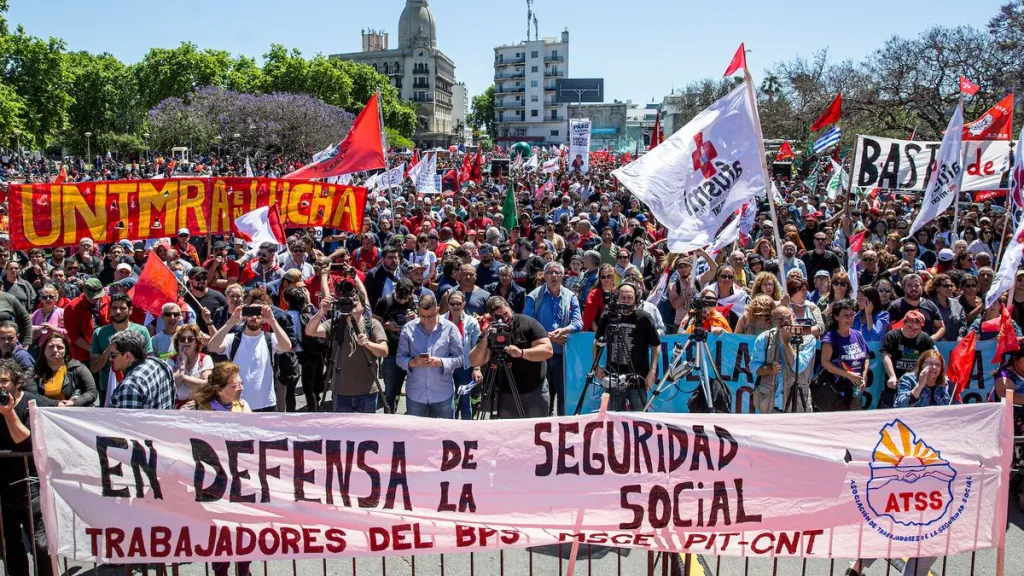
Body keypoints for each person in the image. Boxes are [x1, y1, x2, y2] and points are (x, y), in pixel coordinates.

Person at [179, 361, 253, 576]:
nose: (240, 388)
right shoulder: (198, 410)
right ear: (220, 389)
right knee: (220, 534)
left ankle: (244, 571)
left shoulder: (244, 408)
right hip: (213, 484)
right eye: (234, 385)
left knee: (242, 533)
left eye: (240, 383)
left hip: (240, 482)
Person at [0, 358, 56, 576]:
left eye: (4, 381)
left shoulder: (34, 404)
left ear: (16, 381)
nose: (0, 386)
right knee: (9, 548)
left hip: (32, 487)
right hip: (4, 490)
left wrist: (9, 413)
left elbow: (26, 442)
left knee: (42, 546)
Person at [469, 296, 553, 418]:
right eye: (499, 317)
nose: (505, 318)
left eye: (505, 313)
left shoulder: (527, 323)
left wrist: (522, 353)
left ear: (509, 307)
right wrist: (487, 338)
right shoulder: (491, 332)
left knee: (535, 431)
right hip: (506, 394)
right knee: (511, 434)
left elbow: (548, 350)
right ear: (492, 317)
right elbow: (474, 361)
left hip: (535, 390)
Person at [306, 289, 388, 413]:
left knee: (366, 432)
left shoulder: (372, 324)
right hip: (341, 392)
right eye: (348, 301)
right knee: (342, 431)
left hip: (367, 392)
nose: (352, 304)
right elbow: (310, 331)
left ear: (363, 305)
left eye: (355, 301)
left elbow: (384, 351)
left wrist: (368, 344)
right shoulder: (335, 324)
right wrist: (322, 311)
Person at [206, 303, 293, 412]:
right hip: (238, 405)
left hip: (266, 404)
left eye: (258, 314)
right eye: (250, 313)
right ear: (245, 316)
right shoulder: (233, 339)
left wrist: (272, 321)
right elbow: (212, 346)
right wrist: (230, 322)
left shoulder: (270, 338)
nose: (254, 317)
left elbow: (287, 346)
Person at [525, 261, 583, 416]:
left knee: (563, 395)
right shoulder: (533, 296)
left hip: (562, 355)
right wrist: (550, 338)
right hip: (541, 355)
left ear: (563, 276)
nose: (554, 275)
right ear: (544, 276)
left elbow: (578, 323)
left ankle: (562, 430)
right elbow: (526, 324)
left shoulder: (571, 297)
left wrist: (564, 330)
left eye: (557, 272)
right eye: (550, 272)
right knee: (542, 396)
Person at [592, 282, 661, 412]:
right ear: (617, 298)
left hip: (638, 378)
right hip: (613, 377)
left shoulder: (644, 318)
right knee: (616, 418)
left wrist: (652, 372)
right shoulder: (608, 316)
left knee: (640, 420)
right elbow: (597, 342)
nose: (626, 301)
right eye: (623, 297)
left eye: (629, 297)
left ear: (636, 298)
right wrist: (595, 366)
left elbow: (656, 346)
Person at [396, 294, 464, 418]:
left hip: (442, 393)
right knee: (416, 435)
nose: (426, 320)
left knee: (446, 433)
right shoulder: (408, 329)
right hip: (416, 394)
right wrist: (413, 362)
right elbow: (399, 359)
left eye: (430, 316)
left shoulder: (450, 329)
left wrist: (440, 362)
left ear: (437, 310)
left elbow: (460, 359)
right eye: (422, 316)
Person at [751, 305, 816, 413]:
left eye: (786, 317)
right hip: (770, 404)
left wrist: (786, 342)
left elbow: (798, 367)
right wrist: (770, 369)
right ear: (773, 321)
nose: (784, 322)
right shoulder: (764, 338)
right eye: (779, 320)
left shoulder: (808, 339)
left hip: (797, 404)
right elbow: (754, 367)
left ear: (793, 316)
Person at [91, 293, 153, 406]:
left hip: (136, 388)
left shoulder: (142, 331)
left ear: (130, 310)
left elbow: (148, 362)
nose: (118, 312)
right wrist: (109, 351)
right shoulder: (99, 333)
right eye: (114, 308)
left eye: (122, 308)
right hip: (107, 389)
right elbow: (94, 368)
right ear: (110, 310)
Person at [373, 278, 418, 410]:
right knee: (391, 390)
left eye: (406, 298)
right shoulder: (384, 301)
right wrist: (386, 326)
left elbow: (427, 324)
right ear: (395, 290)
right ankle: (390, 414)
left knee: (413, 391)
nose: (403, 300)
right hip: (391, 353)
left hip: (411, 353)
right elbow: (373, 325)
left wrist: (417, 318)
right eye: (400, 297)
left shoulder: (415, 301)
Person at [819, 299, 871, 411]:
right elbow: (825, 363)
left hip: (856, 388)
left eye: (852, 314)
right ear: (836, 317)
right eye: (845, 315)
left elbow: (866, 357)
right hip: (837, 391)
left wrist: (864, 376)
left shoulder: (858, 335)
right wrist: (848, 375)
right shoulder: (830, 338)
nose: (849, 318)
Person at [880, 310, 936, 409]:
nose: (912, 332)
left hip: (917, 386)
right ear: (904, 322)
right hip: (895, 385)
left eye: (916, 329)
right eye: (909, 327)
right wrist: (892, 376)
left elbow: (934, 357)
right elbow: (886, 356)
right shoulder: (892, 335)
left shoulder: (925, 338)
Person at [107, 329, 176, 409]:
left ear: (127, 356)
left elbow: (128, 420)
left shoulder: (130, 386)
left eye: (113, 355)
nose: (110, 359)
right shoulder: (161, 364)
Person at [443, 290, 482, 419]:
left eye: (458, 303)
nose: (455, 306)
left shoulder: (471, 322)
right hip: (445, 367)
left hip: (465, 368)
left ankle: (467, 430)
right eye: (452, 303)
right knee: (446, 402)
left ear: (464, 304)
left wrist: (476, 368)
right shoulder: (440, 320)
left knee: (465, 401)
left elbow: (477, 347)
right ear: (448, 304)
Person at [29, 331, 97, 406]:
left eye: (60, 347)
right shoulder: (33, 372)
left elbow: (92, 392)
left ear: (66, 351)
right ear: (43, 350)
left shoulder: (78, 368)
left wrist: (74, 403)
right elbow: (30, 395)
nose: (55, 350)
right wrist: (56, 404)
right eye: (51, 346)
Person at [166, 324, 213, 408]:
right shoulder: (171, 361)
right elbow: (171, 385)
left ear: (196, 343)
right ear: (178, 342)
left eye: (190, 339)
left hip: (198, 406)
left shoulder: (205, 359)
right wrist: (182, 365)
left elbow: (205, 386)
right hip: (176, 408)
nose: (186, 341)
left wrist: (181, 376)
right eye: (182, 339)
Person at [887, 273, 945, 341]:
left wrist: (930, 340)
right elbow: (888, 328)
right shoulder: (895, 306)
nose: (913, 288)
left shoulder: (930, 305)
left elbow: (941, 327)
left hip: (925, 349)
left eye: (917, 285)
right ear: (903, 287)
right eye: (909, 285)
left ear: (922, 286)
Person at [64, 277, 110, 362]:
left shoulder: (107, 300)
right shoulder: (73, 307)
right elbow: (73, 335)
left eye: (98, 295)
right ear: (84, 292)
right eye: (92, 296)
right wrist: (93, 349)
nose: (96, 298)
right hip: (84, 355)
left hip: (106, 350)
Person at [925, 272, 965, 342]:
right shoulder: (929, 305)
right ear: (936, 288)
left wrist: (959, 337)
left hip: (956, 344)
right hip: (937, 345)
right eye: (946, 286)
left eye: (950, 285)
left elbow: (963, 324)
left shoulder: (956, 304)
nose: (949, 288)